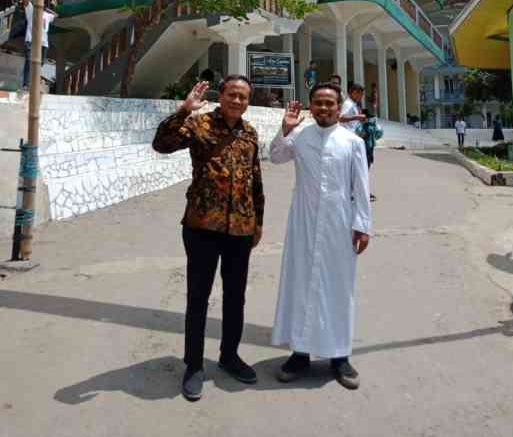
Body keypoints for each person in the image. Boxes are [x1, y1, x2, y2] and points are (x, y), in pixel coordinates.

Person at [152, 76, 264, 402]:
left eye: (243, 97)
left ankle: (229, 356)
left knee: (235, 297)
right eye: (233, 94)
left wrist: (258, 221)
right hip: (202, 226)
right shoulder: (200, 124)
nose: (238, 101)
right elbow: (162, 144)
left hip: (241, 229)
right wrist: (183, 110)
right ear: (222, 96)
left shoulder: (250, 133)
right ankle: (194, 365)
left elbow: (255, 180)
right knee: (198, 297)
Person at [269, 83, 371, 390]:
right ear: (310, 107)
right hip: (303, 220)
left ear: (339, 108)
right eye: (318, 103)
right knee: (299, 283)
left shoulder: (352, 141)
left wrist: (363, 224)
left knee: (338, 287)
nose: (324, 108)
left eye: (329, 103)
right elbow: (275, 156)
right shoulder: (300, 137)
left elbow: (361, 186)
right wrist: (284, 129)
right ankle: (299, 353)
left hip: (340, 223)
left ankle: (339, 356)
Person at [21, 0, 57, 90]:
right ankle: (26, 84)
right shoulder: (31, 9)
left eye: (45, 1)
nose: (43, 2)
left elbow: (56, 15)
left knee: (40, 63)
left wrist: (51, 6)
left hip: (44, 43)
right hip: (31, 40)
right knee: (29, 61)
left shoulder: (47, 15)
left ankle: (33, 82)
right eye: (42, 0)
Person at [356, 110, 383, 202]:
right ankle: (361, 192)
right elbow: (379, 134)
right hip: (364, 150)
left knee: (364, 172)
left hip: (367, 151)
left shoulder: (366, 125)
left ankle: (363, 192)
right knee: (362, 172)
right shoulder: (362, 125)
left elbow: (379, 134)